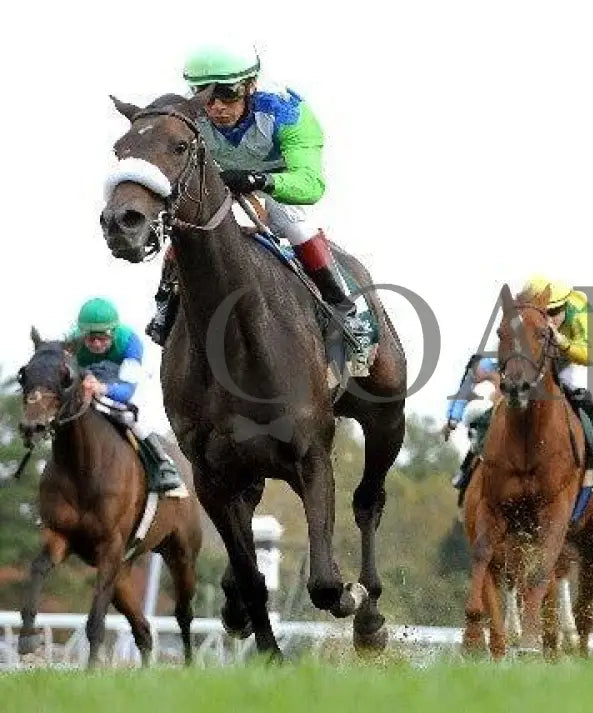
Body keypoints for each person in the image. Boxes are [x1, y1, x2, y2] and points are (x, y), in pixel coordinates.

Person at [145, 43, 371, 357]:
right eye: (207, 95)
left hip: (280, 183)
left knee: (296, 225)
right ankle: (164, 303)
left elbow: (311, 184)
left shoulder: (288, 112)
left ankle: (346, 310)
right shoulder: (189, 117)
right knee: (190, 228)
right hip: (222, 184)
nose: (216, 107)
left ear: (251, 85)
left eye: (228, 94)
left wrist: (259, 181)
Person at [73, 297, 184, 493]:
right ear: (82, 335)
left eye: (103, 338)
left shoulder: (130, 342)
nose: (97, 344)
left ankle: (163, 464)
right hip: (89, 381)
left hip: (125, 385)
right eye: (91, 339)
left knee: (130, 415)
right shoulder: (71, 343)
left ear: (113, 333)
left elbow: (127, 392)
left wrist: (103, 388)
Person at [521, 276, 593, 483]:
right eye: (545, 313)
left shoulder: (580, 312)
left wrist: (562, 342)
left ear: (565, 306)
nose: (548, 319)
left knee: (571, 388)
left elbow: (592, 356)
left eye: (554, 313)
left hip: (566, 353)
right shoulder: (528, 307)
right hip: (533, 351)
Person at [442, 354, 500, 505]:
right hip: (487, 421)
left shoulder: (500, 365)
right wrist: (453, 419)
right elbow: (461, 397)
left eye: (474, 373)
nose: (473, 377)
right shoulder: (476, 377)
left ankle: (463, 472)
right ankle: (465, 472)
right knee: (478, 440)